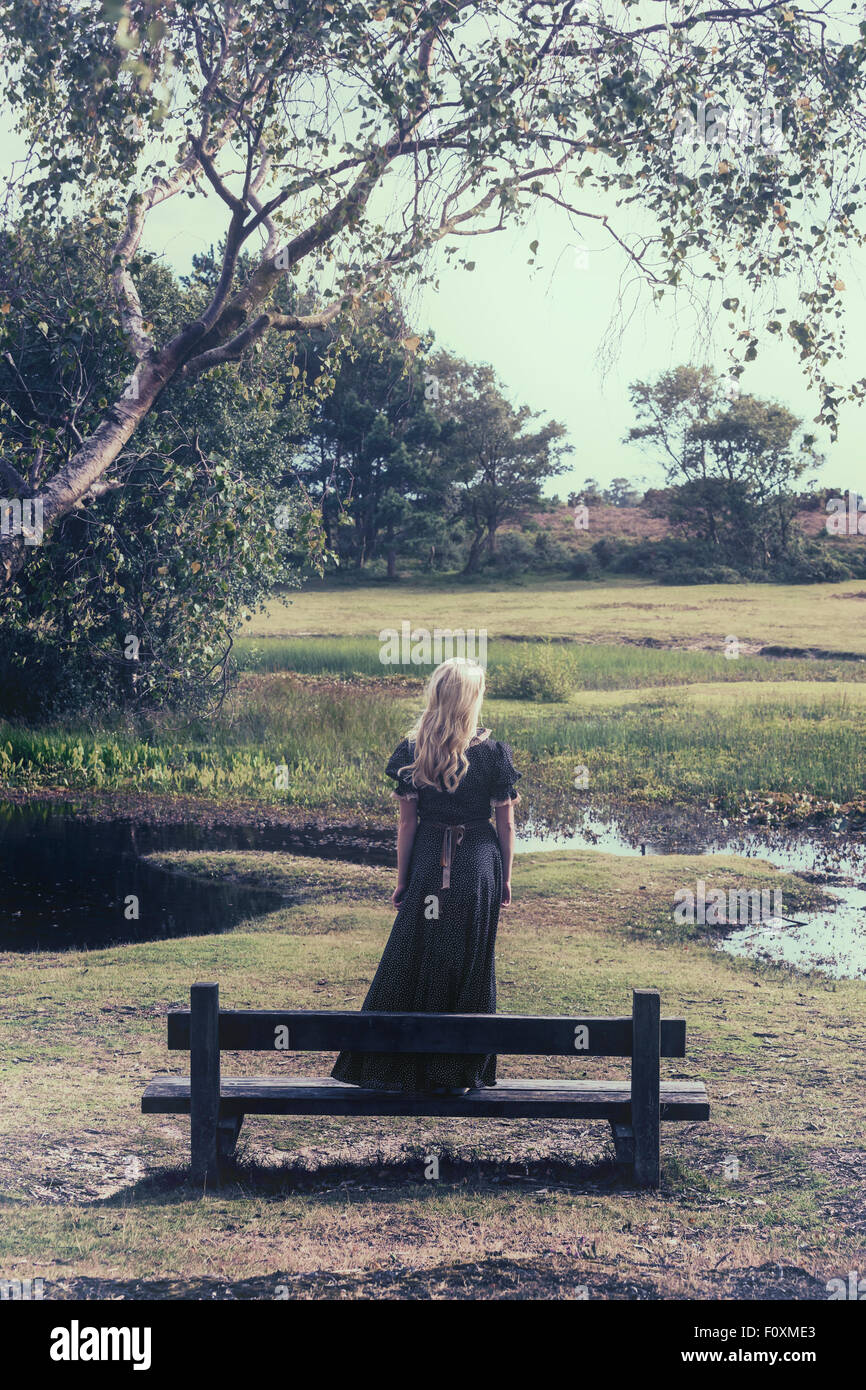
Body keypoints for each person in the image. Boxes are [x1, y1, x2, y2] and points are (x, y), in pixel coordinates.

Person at [331, 656, 521, 1093]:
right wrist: (506, 878)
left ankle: (394, 1066)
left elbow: (406, 825)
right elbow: (506, 824)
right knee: (471, 963)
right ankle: (458, 1071)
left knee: (413, 955)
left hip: (428, 863)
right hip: (477, 865)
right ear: (471, 699)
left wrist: (402, 880)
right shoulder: (493, 754)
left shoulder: (413, 751)